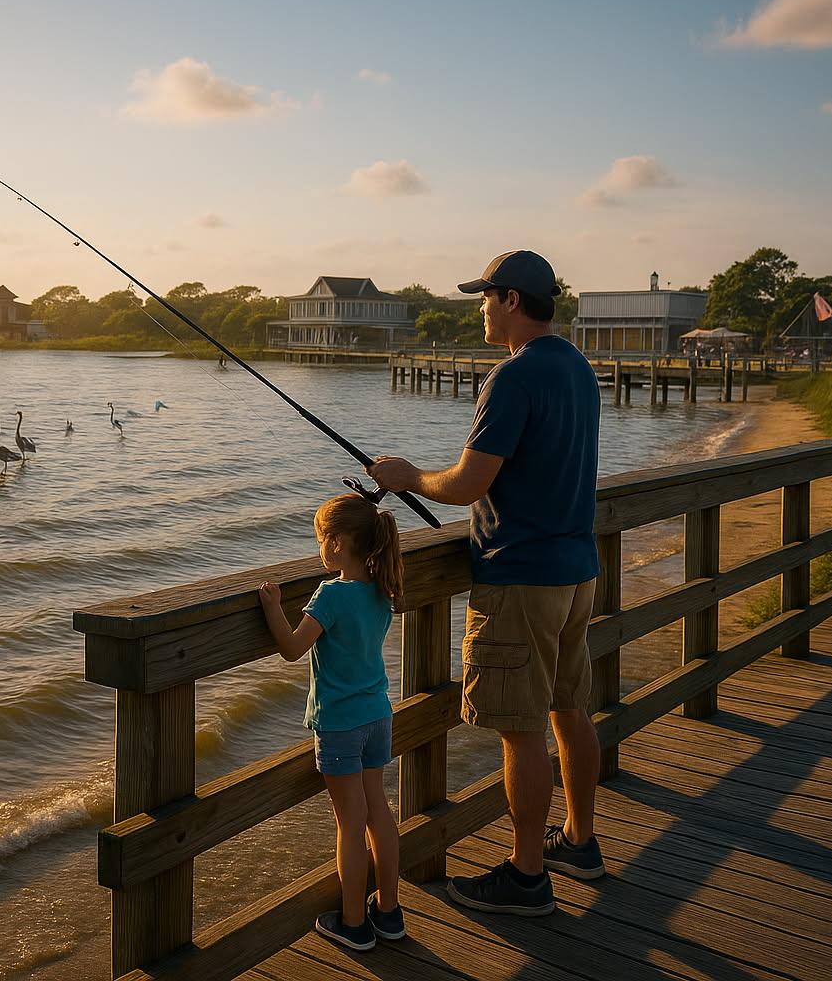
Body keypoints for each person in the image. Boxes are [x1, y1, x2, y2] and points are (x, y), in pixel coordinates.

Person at [368, 250, 606, 918]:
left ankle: (527, 876)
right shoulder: (577, 369)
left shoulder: (514, 376)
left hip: (521, 577)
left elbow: (470, 483)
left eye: (484, 297)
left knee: (522, 728)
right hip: (577, 570)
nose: (478, 307)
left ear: (510, 299)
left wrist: (409, 478)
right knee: (568, 708)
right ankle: (580, 843)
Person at [256, 493, 408, 951]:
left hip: (340, 723)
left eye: (322, 539)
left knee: (350, 822)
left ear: (339, 543)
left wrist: (271, 606)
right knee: (377, 810)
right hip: (378, 714)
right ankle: (390, 911)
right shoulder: (382, 589)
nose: (319, 548)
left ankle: (354, 923)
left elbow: (291, 647)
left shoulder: (331, 595)